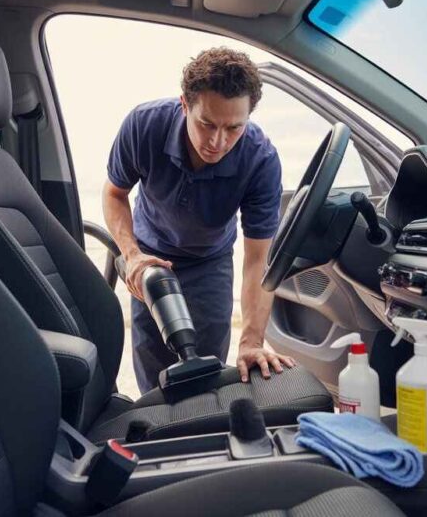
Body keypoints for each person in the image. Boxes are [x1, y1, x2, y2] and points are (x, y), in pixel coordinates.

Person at [103, 47, 297, 394]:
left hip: (210, 261)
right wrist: (132, 256)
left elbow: (257, 259)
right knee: (155, 382)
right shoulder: (144, 125)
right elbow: (114, 194)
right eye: (206, 124)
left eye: (234, 128)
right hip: (149, 256)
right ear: (184, 105)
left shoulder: (261, 160)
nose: (218, 142)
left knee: (206, 380)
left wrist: (251, 341)